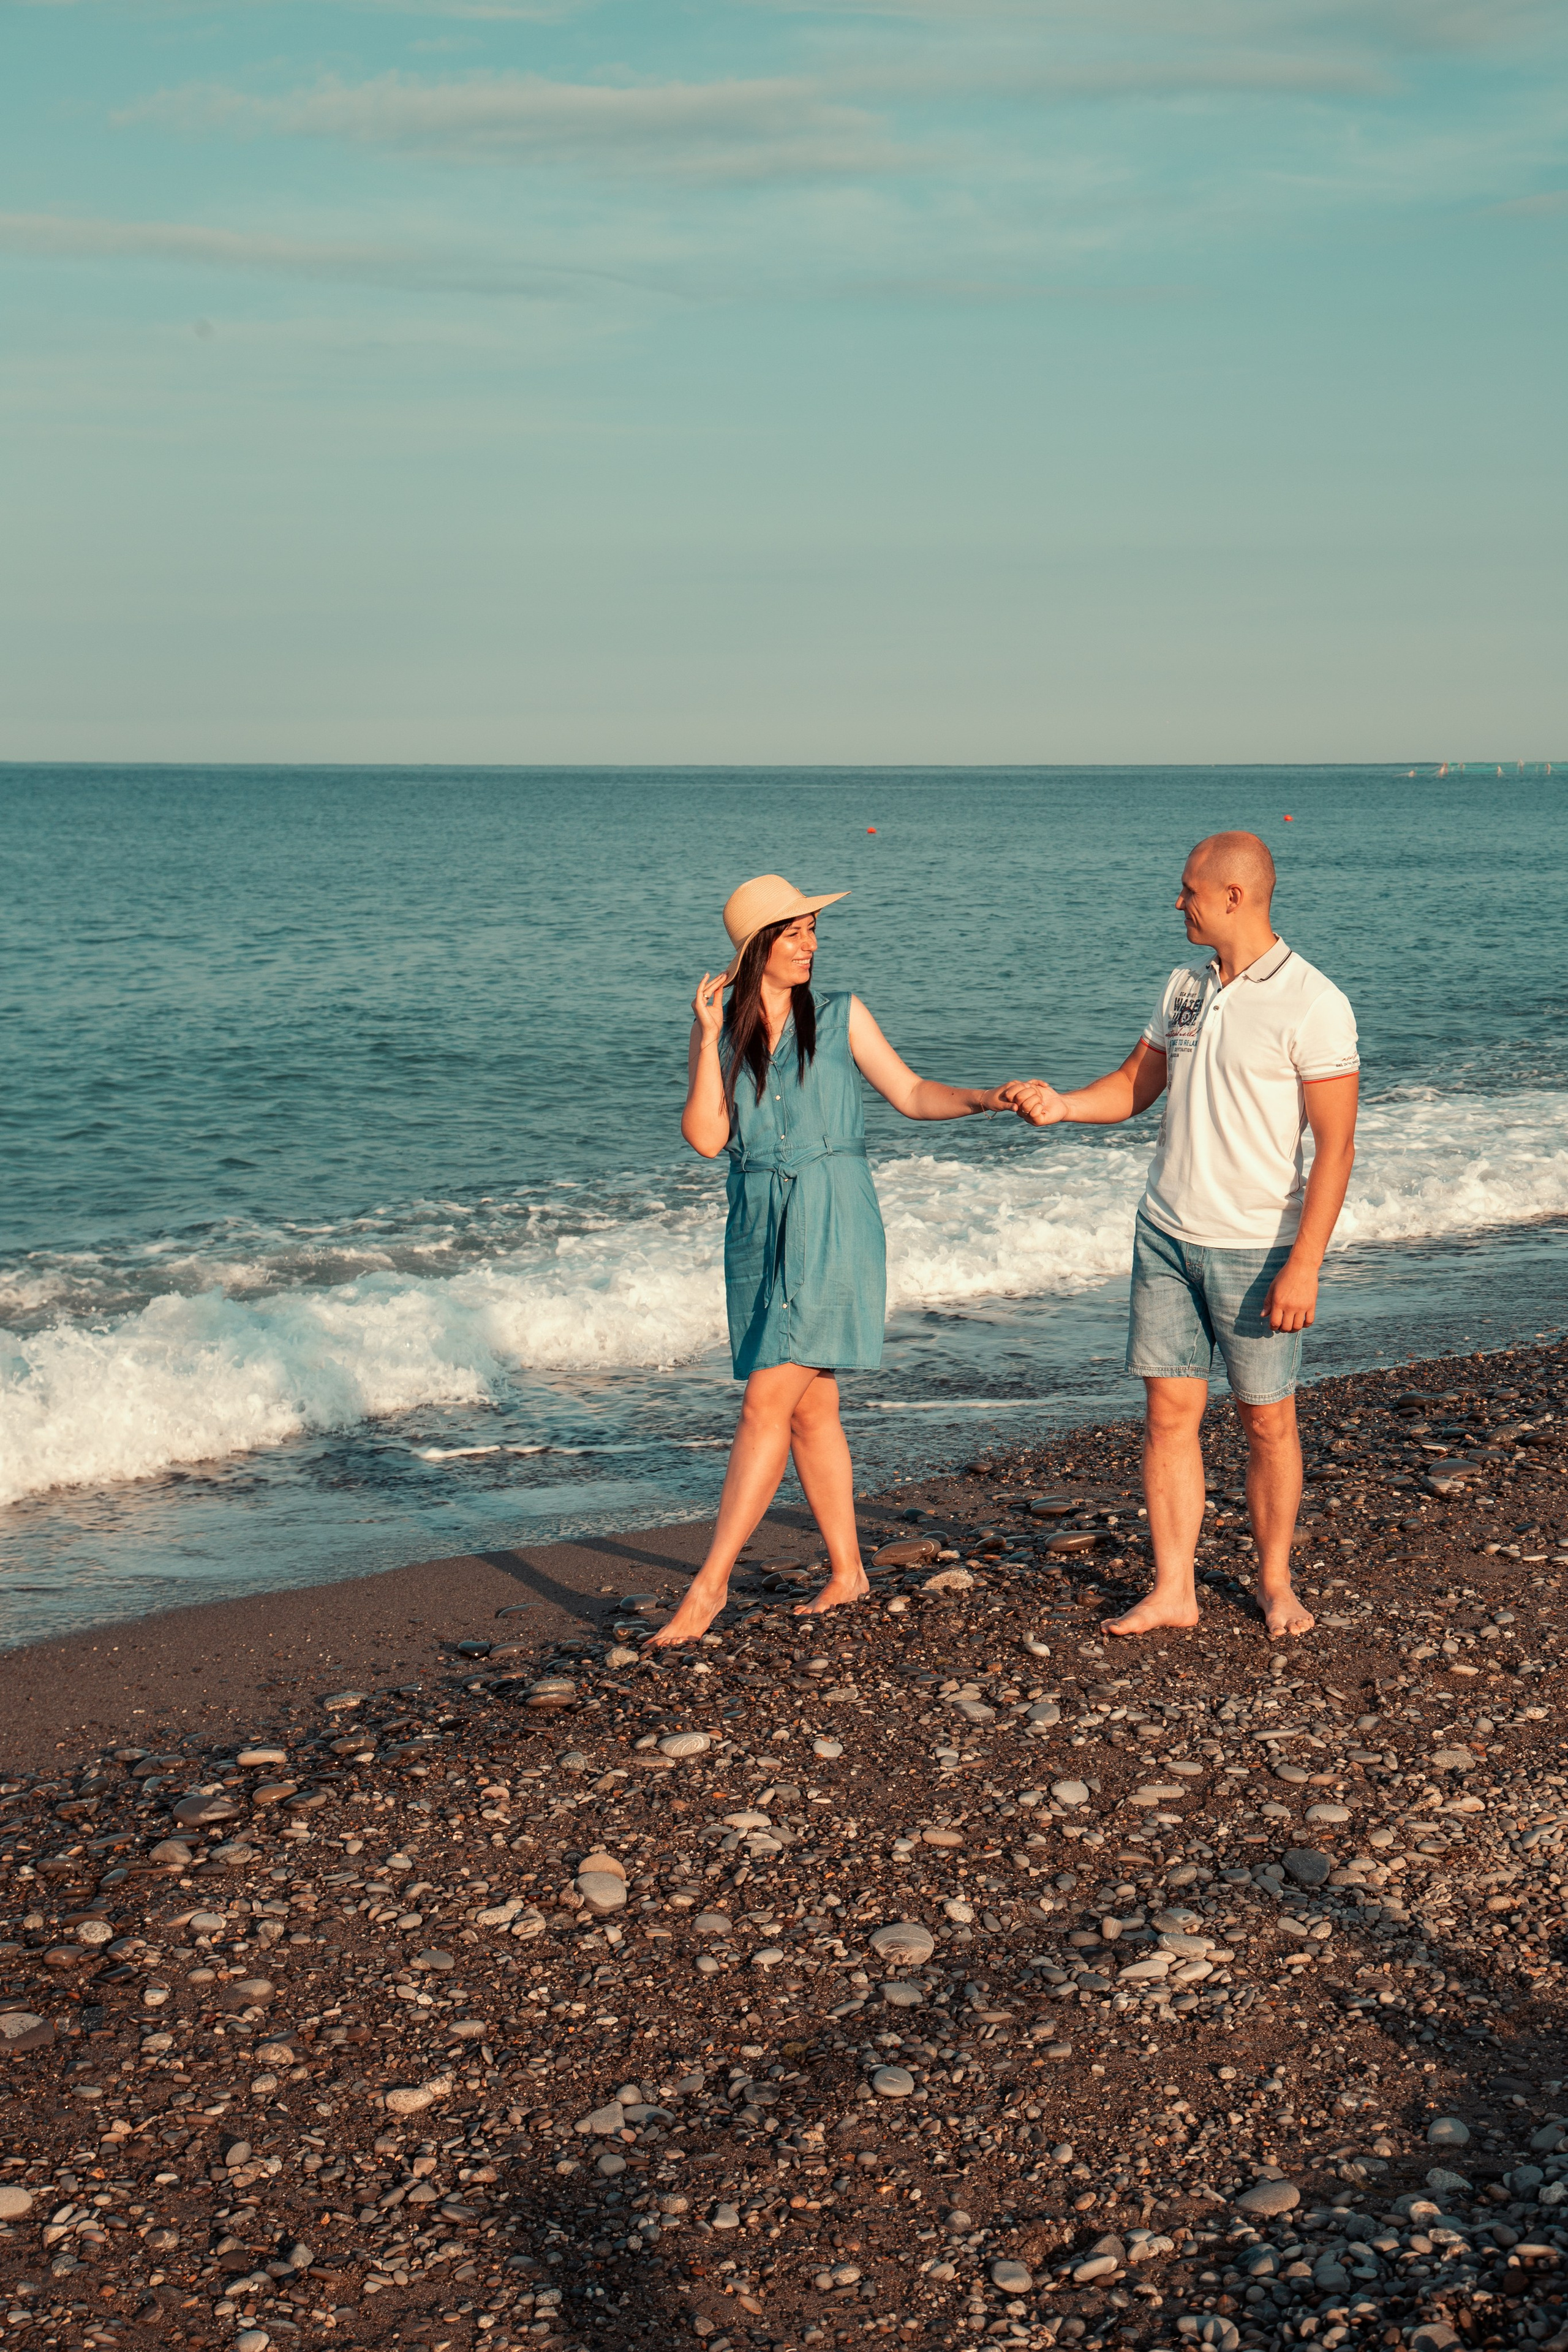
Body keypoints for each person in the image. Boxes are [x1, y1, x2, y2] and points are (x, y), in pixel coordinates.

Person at [649, 873, 1020, 1648]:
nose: (812, 944)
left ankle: (708, 1587)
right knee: (812, 1406)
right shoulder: (724, 1031)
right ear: (760, 947)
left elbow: (911, 1093)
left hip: (831, 1213)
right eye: (795, 933)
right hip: (755, 1221)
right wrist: (700, 1033)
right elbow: (707, 1139)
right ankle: (849, 1572)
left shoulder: (842, 1015)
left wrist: (983, 1097)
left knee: (766, 1402)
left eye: (814, 930)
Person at [1011, 831, 1359, 1643]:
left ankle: (1275, 1584)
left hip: (1259, 1247)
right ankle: (1175, 1590)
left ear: (1233, 896)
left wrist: (1305, 1263)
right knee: (1169, 1417)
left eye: (1189, 890)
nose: (1178, 902)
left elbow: (1335, 1146)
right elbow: (1136, 1085)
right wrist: (1063, 1104)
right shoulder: (1184, 988)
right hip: (1164, 1233)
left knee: (1266, 1421)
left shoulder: (1313, 1000)